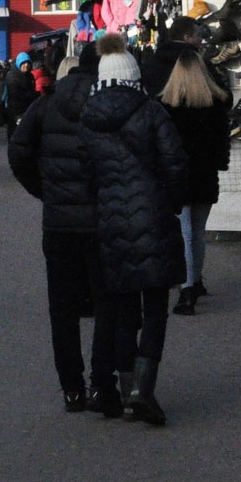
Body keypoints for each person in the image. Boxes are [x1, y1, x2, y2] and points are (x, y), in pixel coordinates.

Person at [79, 33, 188, 426]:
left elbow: (86, 173)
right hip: (153, 214)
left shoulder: (88, 118)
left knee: (124, 307)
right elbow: (175, 162)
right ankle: (144, 388)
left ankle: (127, 393)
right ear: (133, 75)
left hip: (110, 219)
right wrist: (173, 201)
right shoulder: (152, 111)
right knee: (156, 304)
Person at [9, 48, 115, 414]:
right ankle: (102, 384)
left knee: (63, 309)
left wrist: (44, 190)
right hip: (102, 221)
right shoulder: (108, 103)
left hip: (58, 222)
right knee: (107, 305)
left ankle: (71, 388)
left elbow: (18, 151)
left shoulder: (46, 103)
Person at [160, 50, 231, 316]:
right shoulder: (216, 102)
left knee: (185, 232)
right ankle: (196, 280)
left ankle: (188, 288)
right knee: (198, 232)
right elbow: (223, 142)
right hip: (206, 174)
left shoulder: (168, 105)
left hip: (179, 175)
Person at [142, 16, 203, 97]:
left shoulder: (150, 63)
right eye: (198, 35)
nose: (201, 39)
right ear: (187, 38)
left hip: (159, 107)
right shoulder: (196, 63)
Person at [3, 52, 38, 139]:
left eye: (28, 63)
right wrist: (33, 95)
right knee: (16, 135)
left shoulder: (30, 76)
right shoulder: (12, 75)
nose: (26, 65)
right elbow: (15, 94)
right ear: (19, 63)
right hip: (16, 112)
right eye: (23, 63)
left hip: (28, 110)